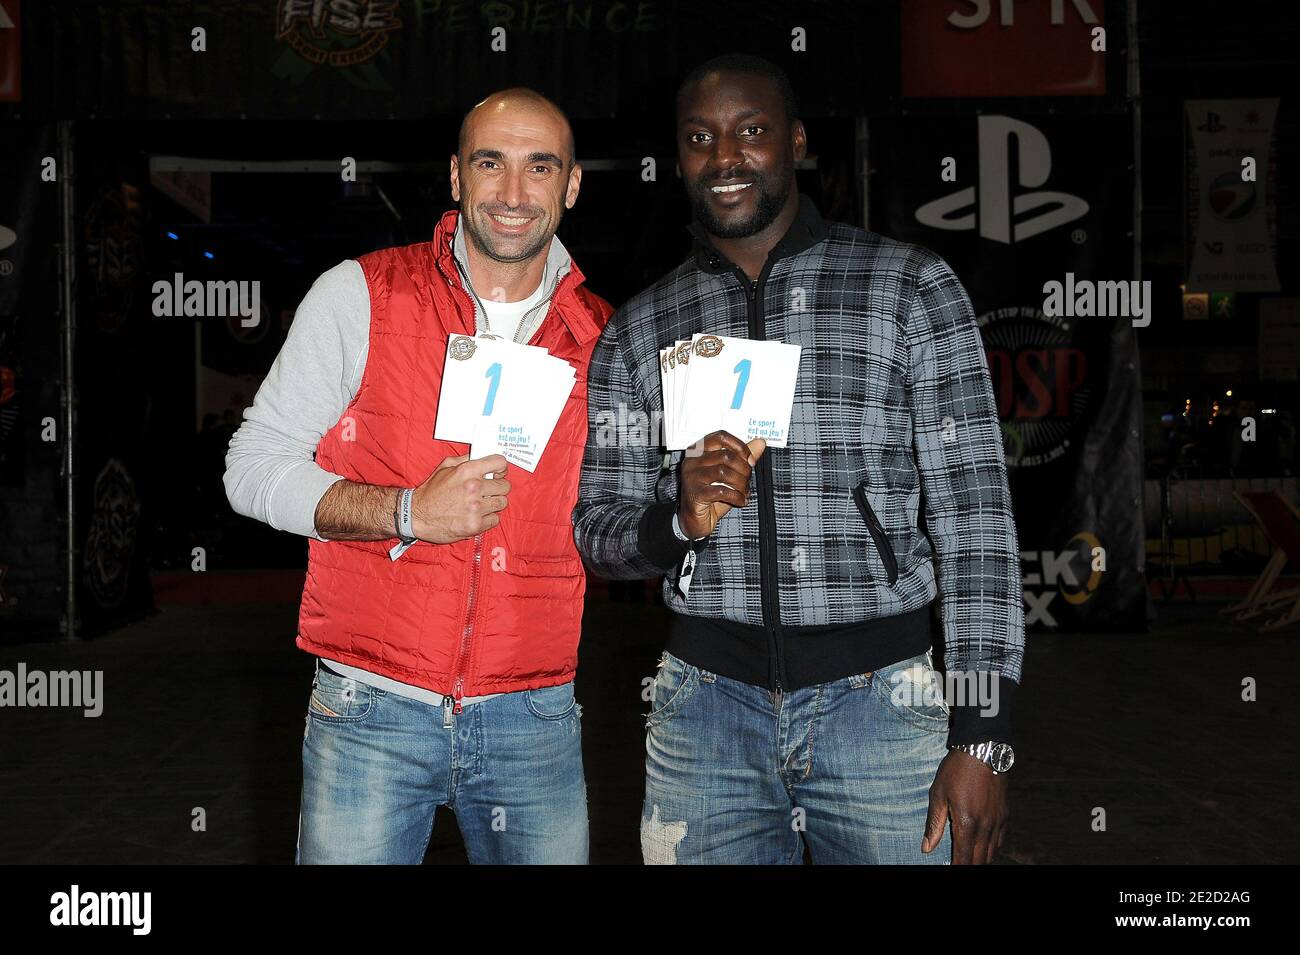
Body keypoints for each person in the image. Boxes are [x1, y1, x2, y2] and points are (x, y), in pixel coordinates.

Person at [574, 55, 1024, 864]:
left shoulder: (909, 287)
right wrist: (675, 518)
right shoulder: (640, 327)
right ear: (678, 158)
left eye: (752, 131)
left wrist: (983, 735)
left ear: (797, 142)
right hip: (702, 715)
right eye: (700, 138)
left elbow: (977, 519)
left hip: (884, 705)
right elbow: (597, 530)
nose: (726, 157)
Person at [224, 88, 611, 864]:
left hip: (531, 714)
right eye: (489, 163)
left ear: (571, 186)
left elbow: (616, 521)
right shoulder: (359, 294)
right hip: (371, 705)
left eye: (540, 167)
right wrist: (405, 511)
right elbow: (251, 468)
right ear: (456, 178)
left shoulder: (603, 335)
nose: (512, 192)